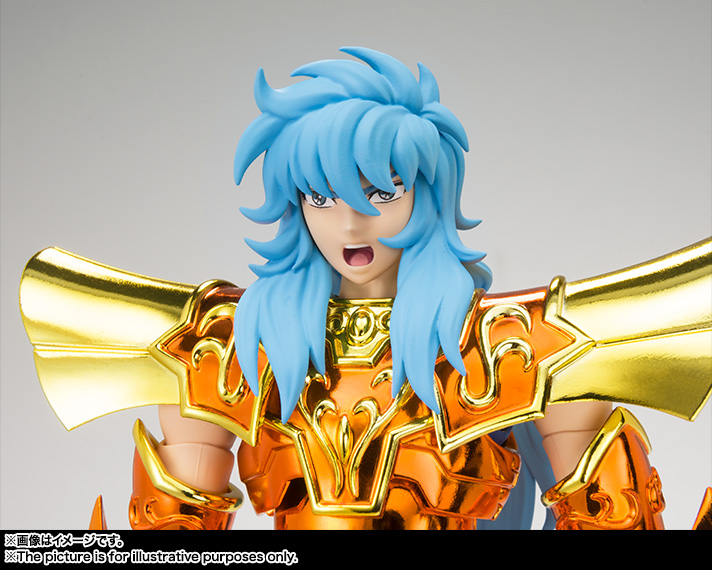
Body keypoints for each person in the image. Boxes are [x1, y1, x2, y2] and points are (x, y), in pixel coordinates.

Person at [20, 47, 710, 530]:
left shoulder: (511, 347)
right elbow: (180, 532)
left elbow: (605, 516)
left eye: (380, 193)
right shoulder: (231, 348)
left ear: (428, 193)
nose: (349, 224)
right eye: (321, 197)